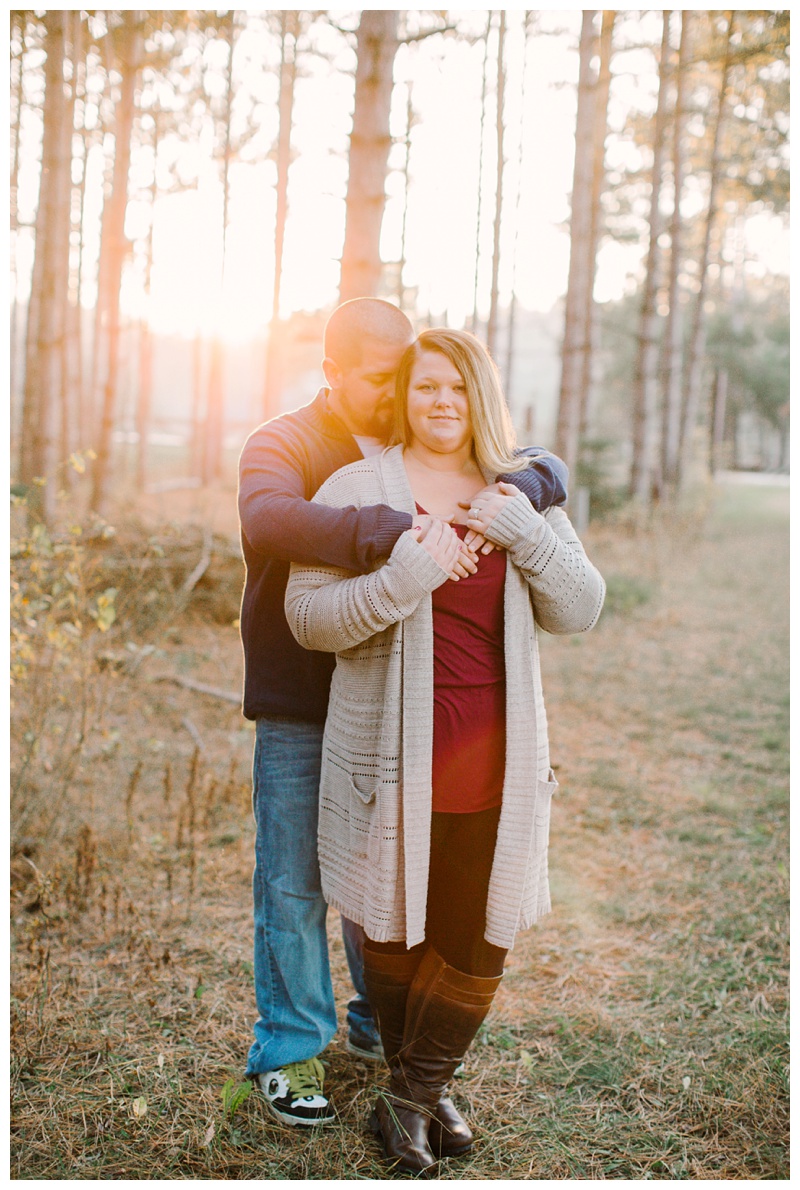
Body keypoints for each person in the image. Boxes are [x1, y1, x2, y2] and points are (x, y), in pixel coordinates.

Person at [238, 301, 569, 1128]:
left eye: (413, 381)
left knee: (384, 876)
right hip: (300, 694)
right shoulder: (288, 444)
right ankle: (290, 1045)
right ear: (335, 374)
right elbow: (270, 519)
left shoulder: (439, 440)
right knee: (294, 879)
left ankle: (379, 1034)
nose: (403, 399)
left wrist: (526, 487)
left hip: (396, 699)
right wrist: (403, 533)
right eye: (387, 382)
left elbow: (543, 465)